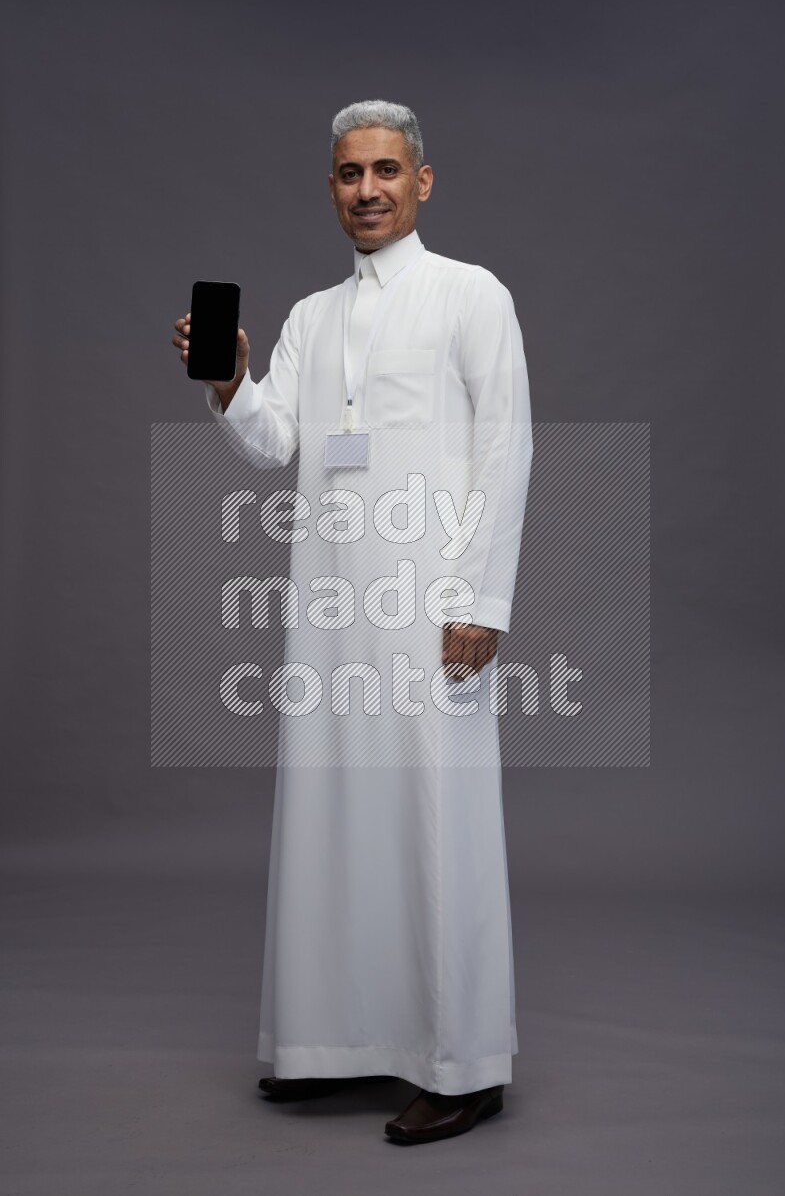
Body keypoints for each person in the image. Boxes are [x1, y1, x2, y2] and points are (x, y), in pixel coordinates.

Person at [172, 99, 533, 1145]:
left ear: (422, 181)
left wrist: (480, 601)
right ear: (330, 188)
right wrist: (231, 381)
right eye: (348, 174)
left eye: (384, 170)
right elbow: (272, 442)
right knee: (331, 817)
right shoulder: (312, 317)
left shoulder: (470, 294)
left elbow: (505, 449)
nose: (366, 189)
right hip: (331, 607)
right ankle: (330, 1042)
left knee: (436, 821)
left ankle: (463, 1064)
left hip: (431, 607)